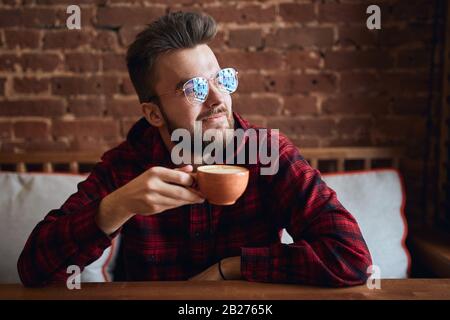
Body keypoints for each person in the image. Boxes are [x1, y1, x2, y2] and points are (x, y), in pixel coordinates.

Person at [18, 11, 372, 287]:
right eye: (194, 89)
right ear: (153, 113)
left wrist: (230, 268)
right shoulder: (128, 166)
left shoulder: (266, 153)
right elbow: (34, 271)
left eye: (222, 80)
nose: (219, 99)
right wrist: (117, 206)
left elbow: (352, 258)